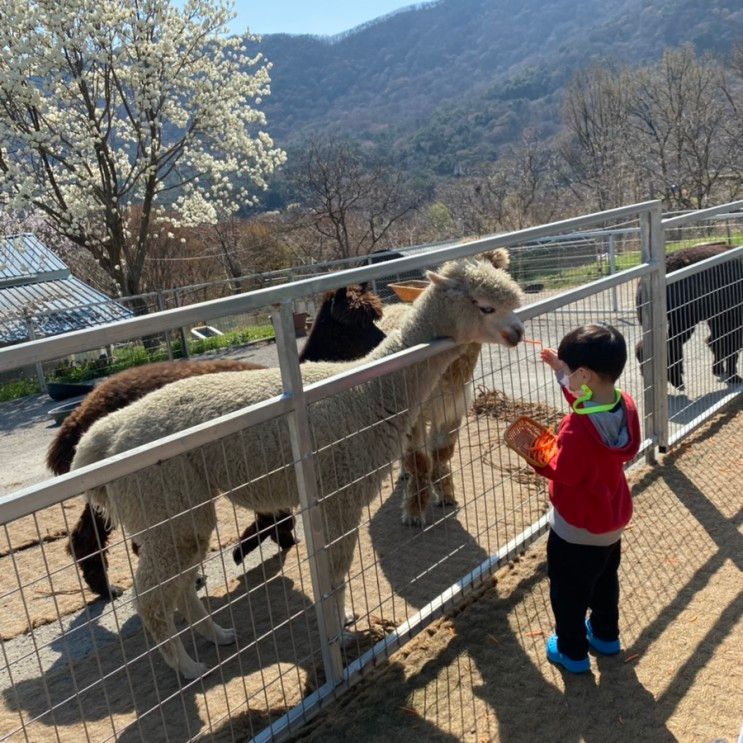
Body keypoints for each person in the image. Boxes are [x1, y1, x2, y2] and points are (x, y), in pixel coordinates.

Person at [534, 324, 641, 673]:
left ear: (584, 374)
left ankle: (572, 652)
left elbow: (562, 470)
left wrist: (537, 452)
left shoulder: (576, 429)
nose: (566, 376)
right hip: (612, 520)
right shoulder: (623, 404)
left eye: (569, 371)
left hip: (577, 529)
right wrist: (560, 372)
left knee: (568, 592)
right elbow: (586, 401)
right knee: (605, 580)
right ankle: (606, 636)